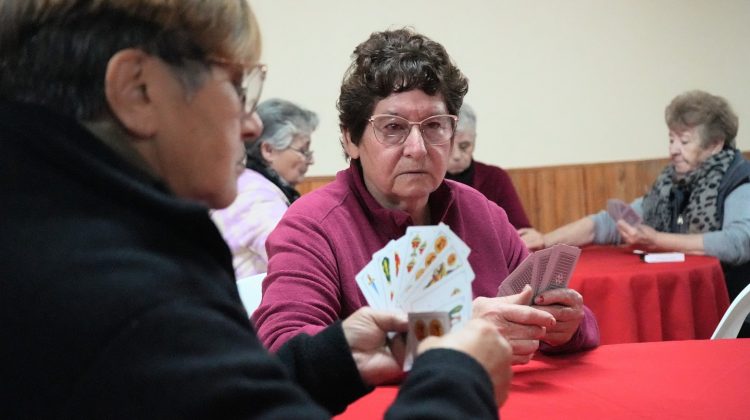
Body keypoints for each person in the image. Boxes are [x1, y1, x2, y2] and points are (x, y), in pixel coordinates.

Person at [0, 2, 515, 418]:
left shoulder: (58, 243)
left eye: (435, 126)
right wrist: (457, 375)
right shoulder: (127, 296)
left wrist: (330, 360)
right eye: (238, 86)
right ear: (138, 90)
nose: (251, 127)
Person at [253, 28, 599, 362]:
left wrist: (564, 326)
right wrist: (453, 334)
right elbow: (284, 348)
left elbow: (569, 322)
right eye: (393, 128)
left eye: (434, 126)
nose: (417, 149)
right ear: (350, 140)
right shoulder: (312, 226)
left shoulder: (480, 212)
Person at [540, 90, 750, 308]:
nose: (673, 150)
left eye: (684, 141)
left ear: (715, 144)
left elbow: (738, 242)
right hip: (683, 296)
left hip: (732, 307)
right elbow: (610, 223)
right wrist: (545, 241)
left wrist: (657, 240)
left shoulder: (738, 178)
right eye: (671, 139)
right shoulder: (671, 182)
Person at [212, 98, 317, 277]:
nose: (311, 160)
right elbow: (298, 263)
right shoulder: (257, 197)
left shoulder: (245, 183)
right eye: (303, 150)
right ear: (268, 150)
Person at [444, 102, 545, 248]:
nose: (457, 156)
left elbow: (523, 233)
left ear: (474, 140)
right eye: (450, 146)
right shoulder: (428, 180)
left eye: (465, 146)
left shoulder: (495, 177)